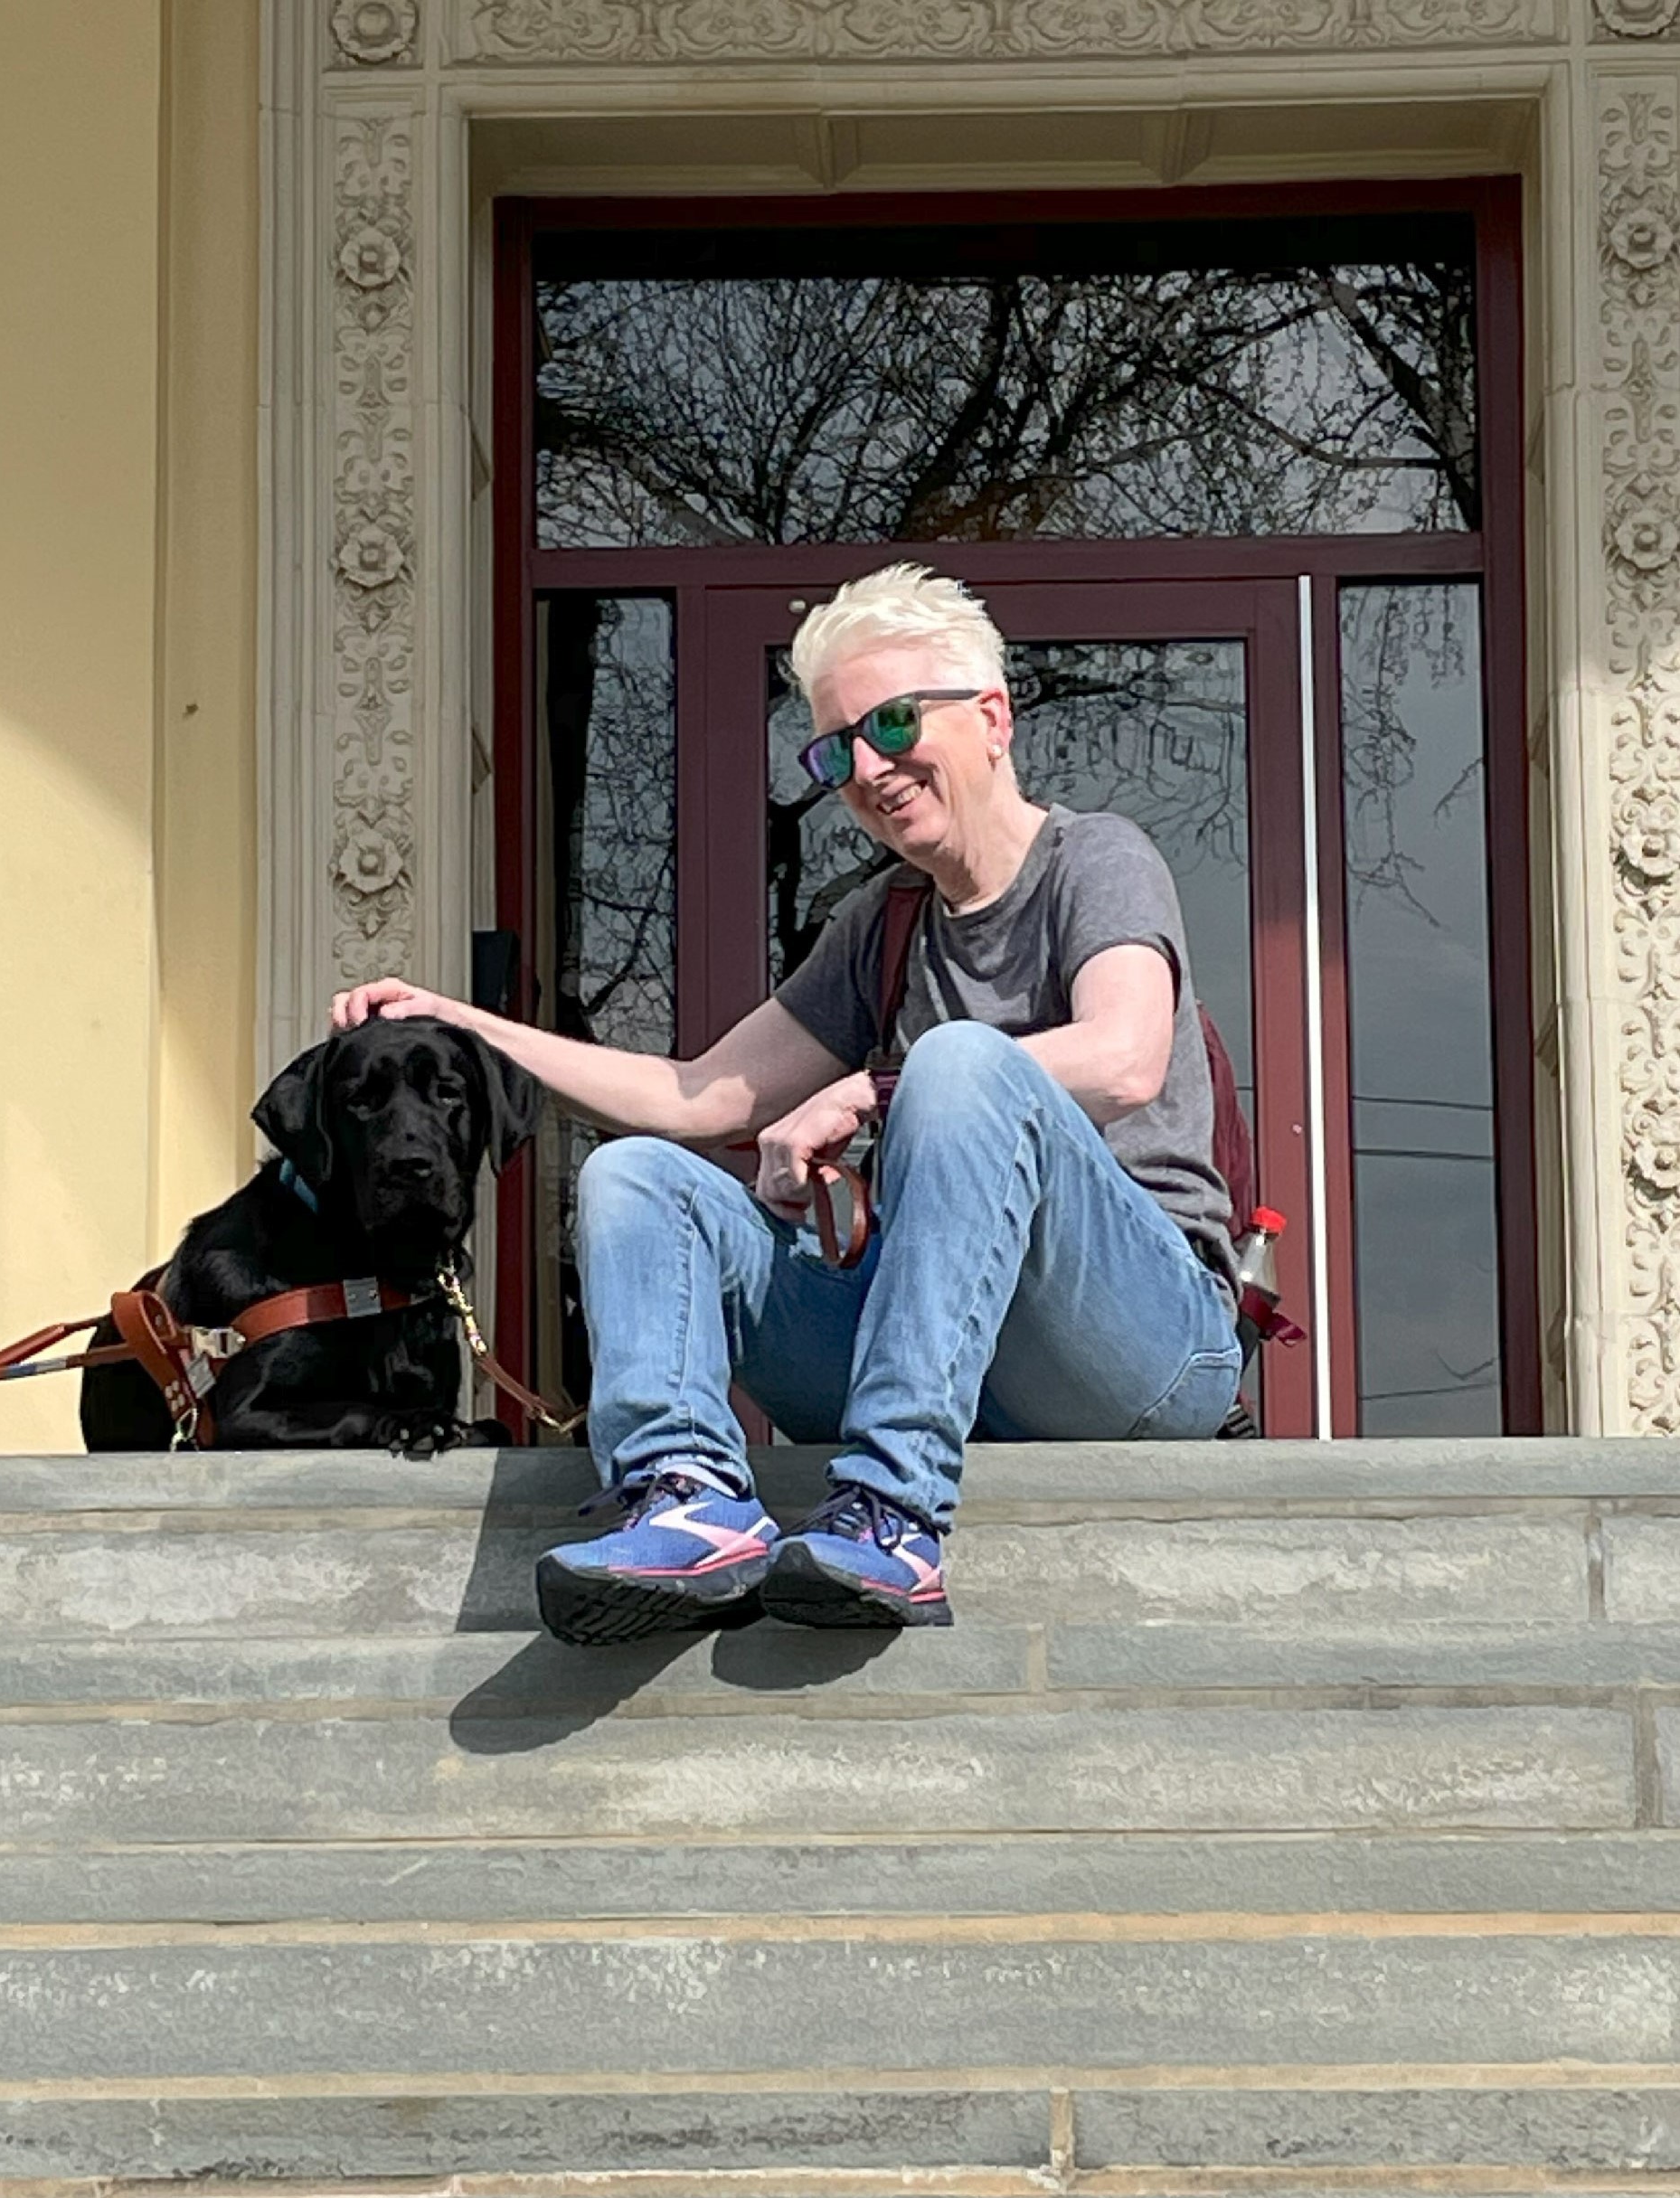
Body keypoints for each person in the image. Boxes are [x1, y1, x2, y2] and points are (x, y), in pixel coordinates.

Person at [331, 564, 1242, 1642]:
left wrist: (876, 1088)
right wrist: (468, 1025)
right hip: (954, 1353)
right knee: (636, 1176)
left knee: (958, 1063)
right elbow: (696, 1093)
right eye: (834, 748)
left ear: (992, 716)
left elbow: (1126, 1055)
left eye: (893, 721)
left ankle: (895, 1508)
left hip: (1132, 1349)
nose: (866, 767)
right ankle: (686, 1495)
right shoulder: (881, 924)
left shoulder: (1095, 861)